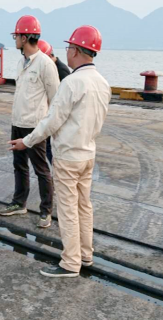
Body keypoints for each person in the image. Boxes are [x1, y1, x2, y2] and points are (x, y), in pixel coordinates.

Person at [9, 25, 111, 277]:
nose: (67, 52)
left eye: (69, 48)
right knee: (84, 206)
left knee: (67, 210)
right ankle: (85, 255)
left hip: (68, 156)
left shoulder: (72, 82)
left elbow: (51, 122)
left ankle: (70, 263)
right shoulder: (103, 83)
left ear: (75, 50)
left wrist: (26, 142)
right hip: (88, 153)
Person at [0, 15, 60, 228]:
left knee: (41, 168)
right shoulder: (21, 62)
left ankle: (46, 211)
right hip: (17, 122)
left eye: (17, 36)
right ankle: (19, 203)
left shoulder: (45, 64)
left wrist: (47, 127)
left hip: (35, 126)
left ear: (25, 38)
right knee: (19, 165)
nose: (15, 39)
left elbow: (56, 99)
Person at [38, 39, 70, 163]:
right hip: (49, 113)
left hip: (56, 115)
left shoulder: (61, 70)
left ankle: (56, 169)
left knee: (50, 148)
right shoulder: (51, 67)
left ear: (50, 56)